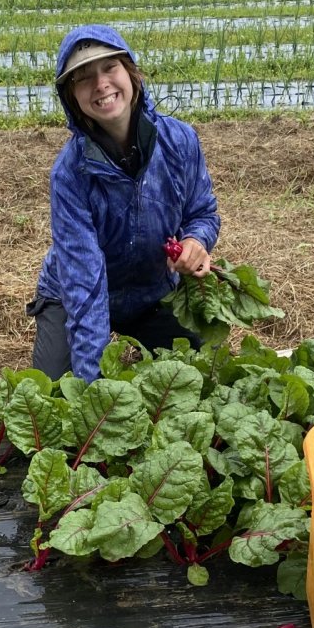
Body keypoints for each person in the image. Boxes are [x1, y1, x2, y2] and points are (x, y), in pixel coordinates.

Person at [28, 24, 221, 381]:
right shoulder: (70, 175)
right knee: (55, 391)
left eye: (109, 68)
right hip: (72, 297)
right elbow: (84, 284)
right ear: (71, 98)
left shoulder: (179, 141)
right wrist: (93, 392)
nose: (101, 84)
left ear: (131, 73)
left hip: (153, 293)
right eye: (83, 78)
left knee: (205, 375)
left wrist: (196, 240)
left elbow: (202, 212)